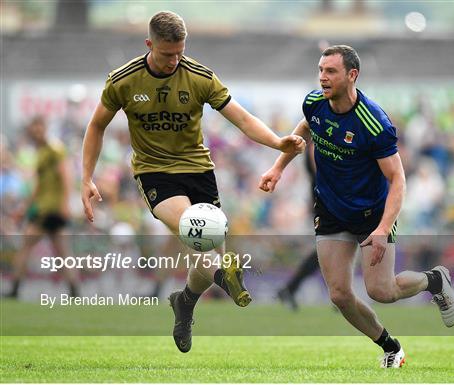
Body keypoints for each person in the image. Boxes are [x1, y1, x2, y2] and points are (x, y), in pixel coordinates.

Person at [81, 11, 305, 354]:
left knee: (206, 251)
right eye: (167, 53)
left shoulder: (199, 76)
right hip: (155, 173)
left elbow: (241, 118)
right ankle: (223, 278)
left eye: (179, 52)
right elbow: (96, 126)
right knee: (197, 232)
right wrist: (86, 178)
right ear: (149, 44)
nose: (174, 60)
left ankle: (185, 303)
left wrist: (278, 142)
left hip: (199, 171)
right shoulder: (123, 80)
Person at [259, 45, 454, 368]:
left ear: (352, 75)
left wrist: (382, 230)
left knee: (382, 290)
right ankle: (391, 347)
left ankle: (434, 280)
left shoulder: (374, 123)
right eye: (321, 70)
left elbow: (398, 179)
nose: (323, 78)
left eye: (331, 72)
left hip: (372, 214)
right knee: (339, 294)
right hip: (331, 208)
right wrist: (278, 167)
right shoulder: (313, 103)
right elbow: (304, 128)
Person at [7, 116, 78, 298]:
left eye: (38, 127)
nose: (35, 131)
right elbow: (39, 184)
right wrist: (25, 206)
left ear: (44, 127)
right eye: (33, 128)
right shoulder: (41, 151)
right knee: (61, 250)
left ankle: (14, 288)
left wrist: (65, 203)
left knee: (27, 245)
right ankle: (74, 291)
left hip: (51, 209)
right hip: (44, 207)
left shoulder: (55, 149)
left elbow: (66, 175)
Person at [276, 141, 319, 311]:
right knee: (332, 246)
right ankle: (290, 288)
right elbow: (320, 170)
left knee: (334, 247)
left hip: (327, 197)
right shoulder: (315, 142)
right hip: (325, 199)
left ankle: (290, 289)